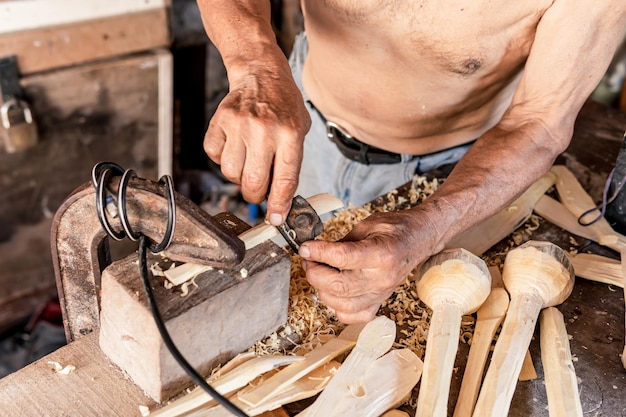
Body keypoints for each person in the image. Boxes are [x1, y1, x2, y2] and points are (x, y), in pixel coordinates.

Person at [196, 1, 626, 324]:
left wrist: (431, 227)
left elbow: (541, 124)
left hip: (457, 176)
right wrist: (255, 66)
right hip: (305, 123)